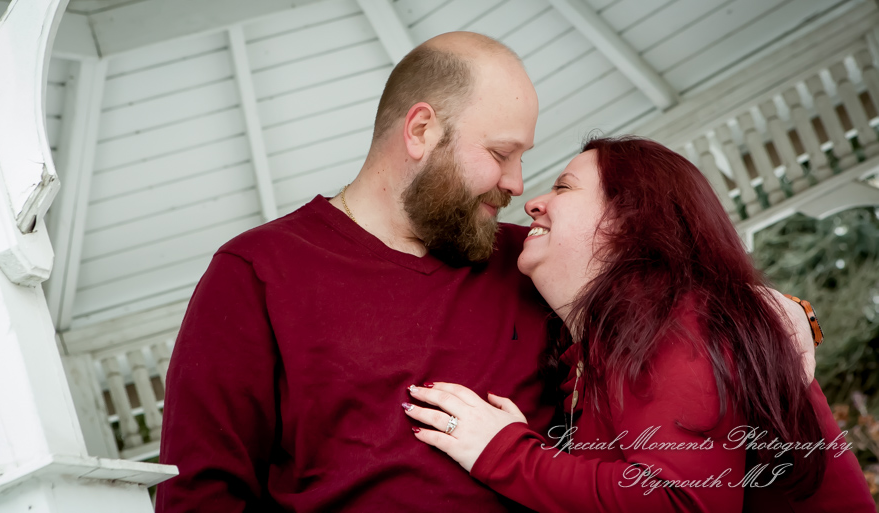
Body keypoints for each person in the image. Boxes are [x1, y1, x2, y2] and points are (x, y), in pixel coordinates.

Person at [156, 33, 818, 511]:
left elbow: (673, 293)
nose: (516, 183)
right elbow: (202, 493)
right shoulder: (255, 273)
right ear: (420, 130)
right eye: (501, 153)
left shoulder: (534, 260)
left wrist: (780, 311)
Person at [403, 137, 875, 511]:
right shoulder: (599, 350)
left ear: (629, 220)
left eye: (563, 187)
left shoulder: (684, 322)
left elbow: (679, 501)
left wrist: (502, 452)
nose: (533, 202)